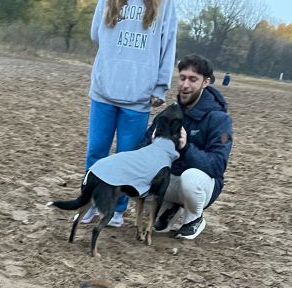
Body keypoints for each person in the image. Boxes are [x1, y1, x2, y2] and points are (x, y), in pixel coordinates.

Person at [81, 0, 178, 228]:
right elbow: (96, 33)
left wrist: (161, 86)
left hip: (139, 96)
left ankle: (117, 209)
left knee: (128, 158)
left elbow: (169, 43)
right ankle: (92, 201)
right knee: (96, 151)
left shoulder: (165, 4)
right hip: (104, 89)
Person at [152, 54, 233, 240]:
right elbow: (144, 142)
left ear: (206, 82)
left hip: (201, 184)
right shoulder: (171, 112)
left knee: (190, 178)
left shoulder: (219, 119)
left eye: (193, 79)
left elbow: (218, 165)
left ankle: (193, 218)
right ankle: (170, 208)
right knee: (144, 171)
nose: (185, 85)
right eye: (182, 78)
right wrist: (152, 144)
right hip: (172, 178)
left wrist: (186, 147)